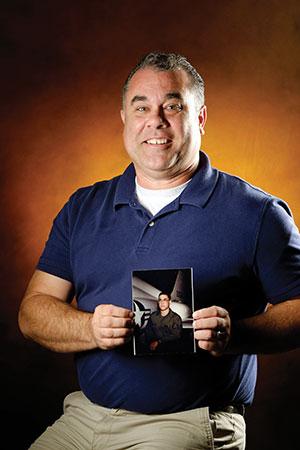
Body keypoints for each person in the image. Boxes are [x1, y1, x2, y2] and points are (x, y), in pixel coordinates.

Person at [18, 52, 300, 450]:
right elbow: (33, 313)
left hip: (188, 422)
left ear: (199, 117)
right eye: (142, 107)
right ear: (124, 119)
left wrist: (236, 332)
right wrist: (90, 329)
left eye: (172, 105)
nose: (156, 120)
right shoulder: (83, 207)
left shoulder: (257, 213)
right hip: (85, 417)